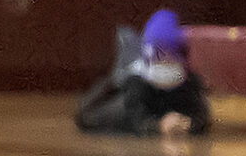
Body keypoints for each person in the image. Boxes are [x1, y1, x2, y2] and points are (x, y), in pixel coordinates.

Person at [74, 10, 211, 138]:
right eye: (158, 55)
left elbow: (202, 118)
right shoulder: (137, 84)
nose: (165, 61)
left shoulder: (190, 83)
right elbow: (135, 119)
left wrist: (189, 124)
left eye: (171, 54)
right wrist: (158, 126)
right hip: (111, 117)